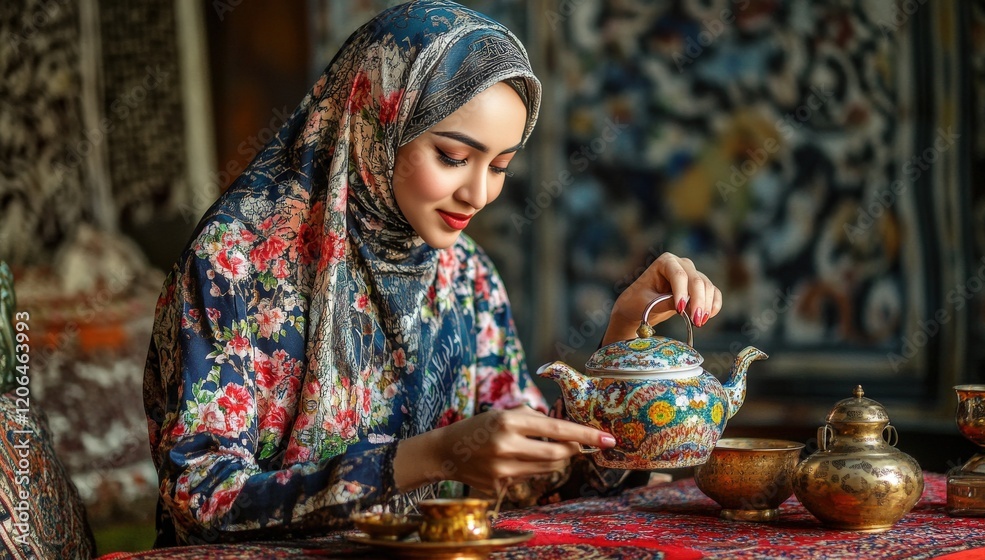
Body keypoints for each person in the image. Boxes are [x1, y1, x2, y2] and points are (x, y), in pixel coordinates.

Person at [142, 0, 722, 547]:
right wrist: (431, 457)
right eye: (452, 156)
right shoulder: (233, 265)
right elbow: (200, 499)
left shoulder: (466, 277)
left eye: (500, 166)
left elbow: (539, 486)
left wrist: (623, 338)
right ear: (378, 120)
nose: (477, 194)